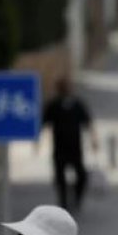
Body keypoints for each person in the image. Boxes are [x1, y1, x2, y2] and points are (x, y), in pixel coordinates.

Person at [42, 78, 99, 211]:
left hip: (75, 148)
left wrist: (94, 140)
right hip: (59, 148)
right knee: (60, 176)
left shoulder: (77, 104)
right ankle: (63, 202)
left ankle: (77, 199)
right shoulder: (53, 105)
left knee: (81, 175)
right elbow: (44, 123)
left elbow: (88, 122)